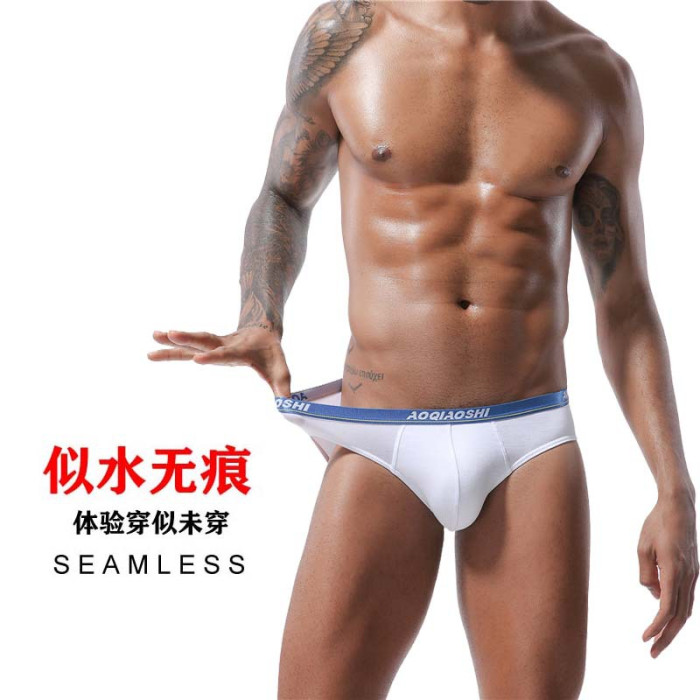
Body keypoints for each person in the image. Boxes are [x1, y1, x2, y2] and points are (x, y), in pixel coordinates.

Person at [148, 1, 698, 697]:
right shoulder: (351, 34)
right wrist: (261, 316)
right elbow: (284, 194)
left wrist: (674, 488)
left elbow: (625, 301)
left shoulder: (595, 74)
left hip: (528, 440)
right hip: (383, 434)